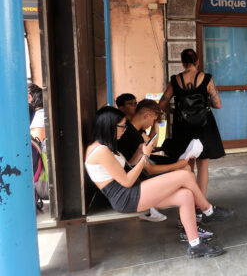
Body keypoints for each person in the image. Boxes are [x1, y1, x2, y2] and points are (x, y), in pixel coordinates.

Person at [84, 106, 226, 258]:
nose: (124, 129)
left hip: (131, 190)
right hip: (125, 196)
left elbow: (128, 167)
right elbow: (126, 181)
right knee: (185, 176)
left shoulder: (104, 147)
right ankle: (208, 210)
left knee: (185, 195)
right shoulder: (101, 151)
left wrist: (139, 153)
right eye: (122, 126)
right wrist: (145, 157)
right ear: (110, 126)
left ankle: (195, 245)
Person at [117, 99, 203, 224]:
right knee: (185, 171)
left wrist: (155, 122)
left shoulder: (135, 130)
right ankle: (196, 211)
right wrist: (176, 166)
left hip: (141, 169)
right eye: (153, 120)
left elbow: (151, 145)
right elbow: (149, 170)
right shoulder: (132, 134)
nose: (152, 124)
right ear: (147, 115)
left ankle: (194, 211)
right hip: (140, 177)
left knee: (185, 170)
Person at [159, 49, 226, 202]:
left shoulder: (175, 80)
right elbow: (218, 104)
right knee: (203, 165)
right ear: (197, 61)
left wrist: (174, 111)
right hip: (203, 125)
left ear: (182, 63)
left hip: (182, 127)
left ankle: (187, 201)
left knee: (186, 164)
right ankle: (200, 203)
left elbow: (162, 104)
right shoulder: (207, 78)